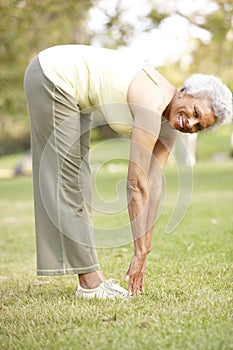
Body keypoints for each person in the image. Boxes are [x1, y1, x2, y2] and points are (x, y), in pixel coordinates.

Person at [24, 44, 232, 298]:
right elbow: (136, 183)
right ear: (185, 91)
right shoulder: (153, 102)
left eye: (198, 126)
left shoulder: (169, 126)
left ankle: (91, 278)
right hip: (52, 75)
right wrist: (138, 249)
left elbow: (153, 184)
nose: (190, 123)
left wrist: (145, 250)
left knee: (82, 183)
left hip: (76, 94)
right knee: (68, 181)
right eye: (195, 112)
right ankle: (90, 283)